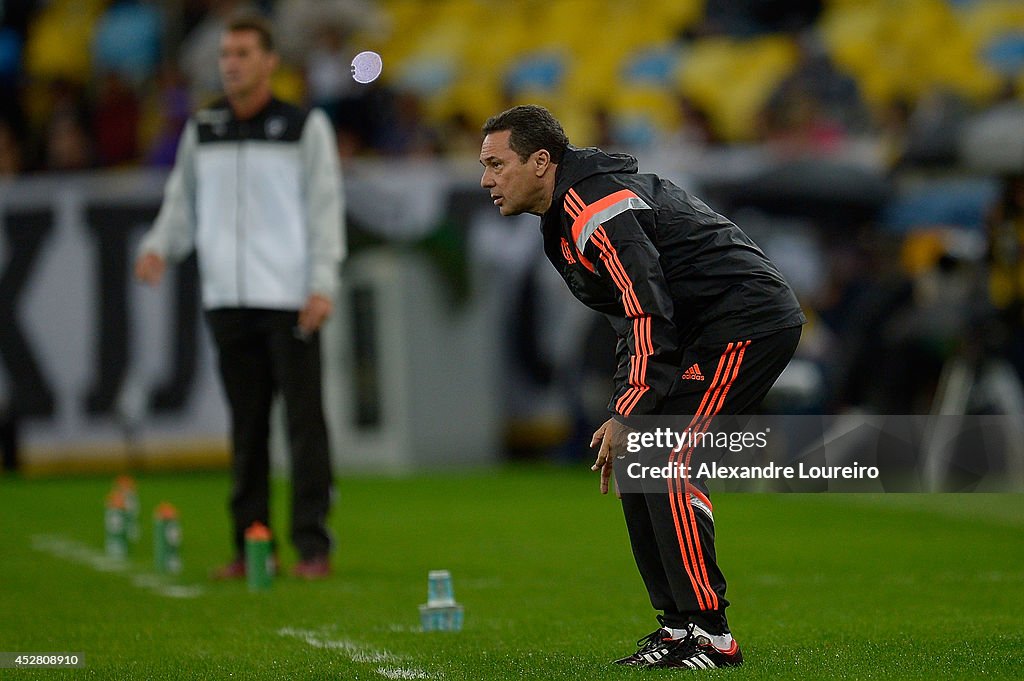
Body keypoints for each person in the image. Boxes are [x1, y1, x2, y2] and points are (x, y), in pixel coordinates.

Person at [479, 105, 805, 669]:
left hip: (745, 323)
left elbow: (646, 306)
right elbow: (632, 319)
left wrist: (629, 409)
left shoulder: (594, 208)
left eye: (495, 163)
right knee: (641, 458)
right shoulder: (566, 211)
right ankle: (679, 628)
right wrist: (625, 409)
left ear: (540, 161)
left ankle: (710, 633)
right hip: (700, 330)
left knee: (666, 458)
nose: (485, 179)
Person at [135, 12, 344, 580]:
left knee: (304, 426)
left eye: (243, 53)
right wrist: (160, 245)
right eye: (226, 54)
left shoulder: (304, 127)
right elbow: (182, 204)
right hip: (226, 298)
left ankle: (312, 544)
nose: (231, 63)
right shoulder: (202, 128)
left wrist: (322, 283)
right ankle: (253, 542)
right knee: (246, 428)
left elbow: (325, 210)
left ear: (270, 62)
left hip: (290, 297)